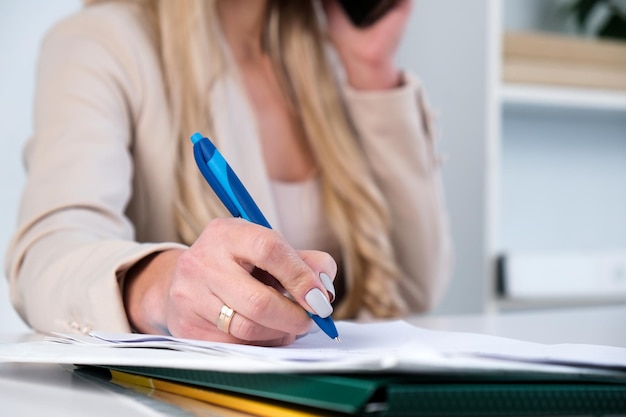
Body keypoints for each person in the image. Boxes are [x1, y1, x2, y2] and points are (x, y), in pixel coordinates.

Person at [4, 0, 452, 346]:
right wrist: (160, 284)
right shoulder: (101, 43)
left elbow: (417, 291)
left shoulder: (332, 56)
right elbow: (50, 253)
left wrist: (372, 68)